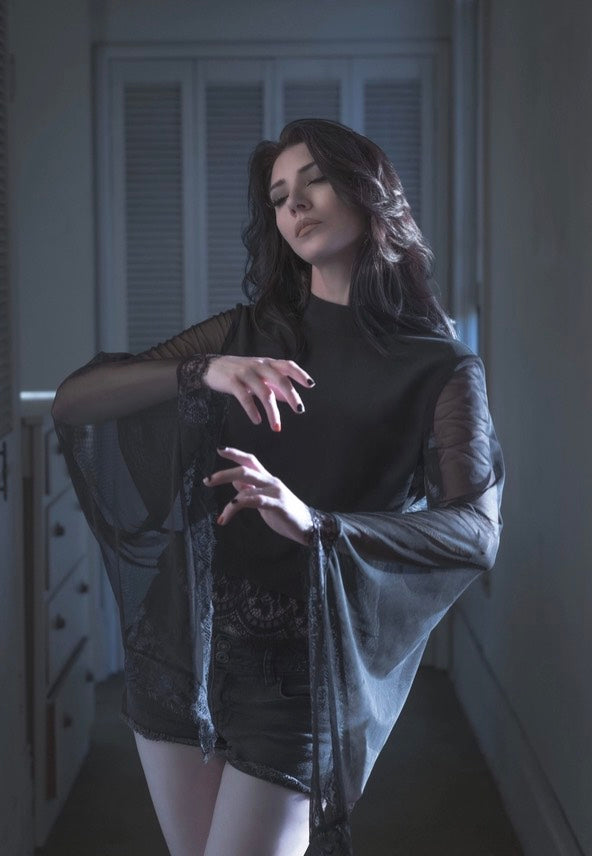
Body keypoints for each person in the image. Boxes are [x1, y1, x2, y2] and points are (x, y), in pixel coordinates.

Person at [51, 118, 505, 856]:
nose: (294, 204)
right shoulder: (243, 333)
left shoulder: (442, 366)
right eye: (278, 195)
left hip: (299, 669)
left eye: (315, 181)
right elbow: (76, 402)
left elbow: (476, 531)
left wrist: (319, 523)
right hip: (179, 638)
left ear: (368, 192)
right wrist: (203, 371)